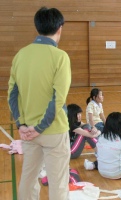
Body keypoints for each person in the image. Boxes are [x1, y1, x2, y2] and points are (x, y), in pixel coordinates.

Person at [7, 7, 71, 200]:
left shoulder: (21, 55)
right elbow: (58, 98)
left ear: (38, 27)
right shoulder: (60, 57)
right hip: (53, 131)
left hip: (28, 132)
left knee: (28, 178)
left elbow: (12, 94)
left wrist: (21, 125)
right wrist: (41, 127)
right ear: (59, 28)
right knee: (58, 183)